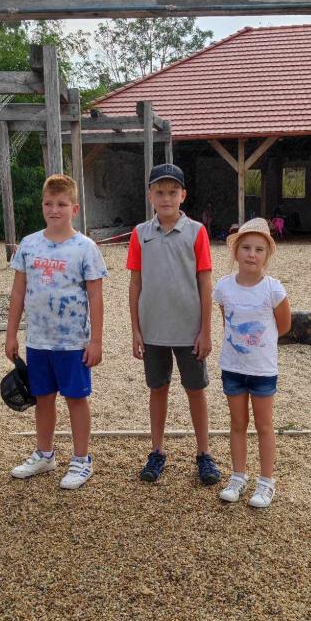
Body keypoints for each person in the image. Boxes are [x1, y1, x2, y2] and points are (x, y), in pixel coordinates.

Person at [6, 174, 107, 490]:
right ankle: (45, 453)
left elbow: (96, 296)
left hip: (73, 342)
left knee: (76, 398)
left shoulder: (85, 248)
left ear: (74, 209)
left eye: (62, 204)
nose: (54, 209)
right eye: (49, 203)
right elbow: (18, 293)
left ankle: (82, 459)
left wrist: (96, 340)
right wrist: (11, 334)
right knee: (43, 398)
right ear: (42, 206)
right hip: (38, 341)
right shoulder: (28, 245)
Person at [127, 163, 221, 485]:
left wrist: (206, 330)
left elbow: (205, 282)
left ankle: (204, 453)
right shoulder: (140, 234)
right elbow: (135, 283)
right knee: (158, 388)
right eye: (159, 192)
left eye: (172, 192)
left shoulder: (197, 232)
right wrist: (135, 330)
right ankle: (157, 450)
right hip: (152, 329)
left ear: (183, 195)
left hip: (189, 330)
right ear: (150, 196)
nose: (165, 198)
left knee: (195, 389)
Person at [213, 218, 291, 509]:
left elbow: (284, 325)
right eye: (246, 248)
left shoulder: (273, 289)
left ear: (267, 254)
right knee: (237, 423)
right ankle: (238, 476)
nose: (251, 254)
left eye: (259, 249)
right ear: (236, 251)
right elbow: (227, 321)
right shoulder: (224, 287)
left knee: (264, 424)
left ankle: (266, 481)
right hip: (233, 367)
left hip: (262, 369)